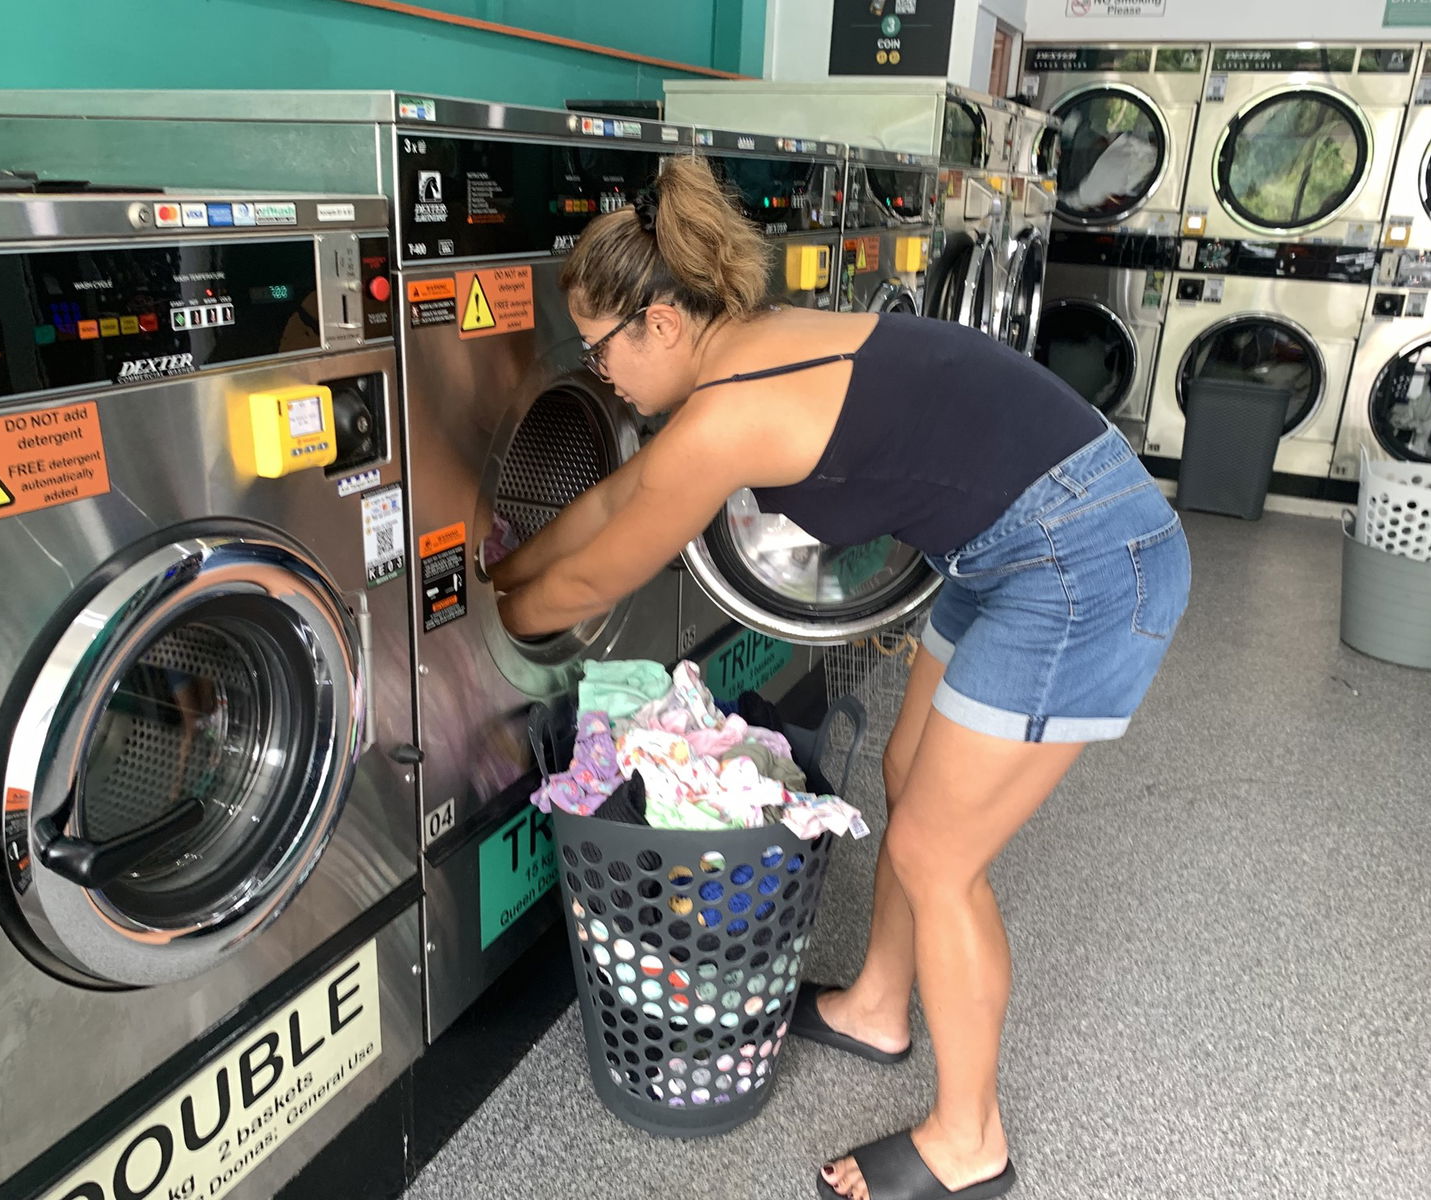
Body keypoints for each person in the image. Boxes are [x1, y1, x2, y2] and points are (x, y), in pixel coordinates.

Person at [491, 156, 1191, 1200]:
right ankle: (876, 1007)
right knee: (909, 777)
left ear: (664, 327)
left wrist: (491, 624)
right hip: (1011, 539)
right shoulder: (752, 343)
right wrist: (501, 571)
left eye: (599, 351)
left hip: (1080, 562)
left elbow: (603, 564)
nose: (599, 377)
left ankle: (971, 1144)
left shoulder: (731, 411)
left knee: (934, 852)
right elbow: (617, 497)